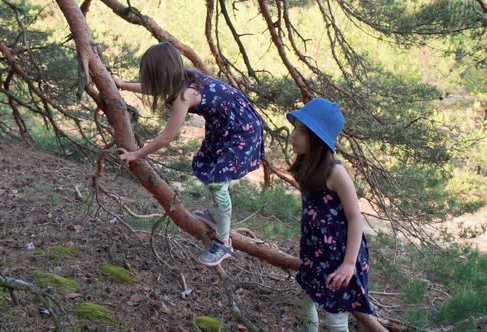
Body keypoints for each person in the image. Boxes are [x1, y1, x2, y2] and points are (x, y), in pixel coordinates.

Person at [113, 42, 265, 266]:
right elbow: (156, 88)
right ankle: (216, 217)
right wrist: (123, 85)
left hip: (241, 132)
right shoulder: (184, 79)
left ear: (162, 74)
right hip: (226, 129)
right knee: (209, 169)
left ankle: (224, 242)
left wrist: (137, 154)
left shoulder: (187, 94)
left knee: (217, 183)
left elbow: (166, 137)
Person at [286, 98, 375, 331]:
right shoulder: (307, 167)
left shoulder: (336, 172)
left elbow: (355, 218)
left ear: (318, 139)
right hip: (315, 252)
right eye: (295, 128)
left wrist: (348, 264)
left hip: (339, 257)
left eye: (302, 132)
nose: (293, 135)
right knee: (305, 298)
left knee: (336, 319)